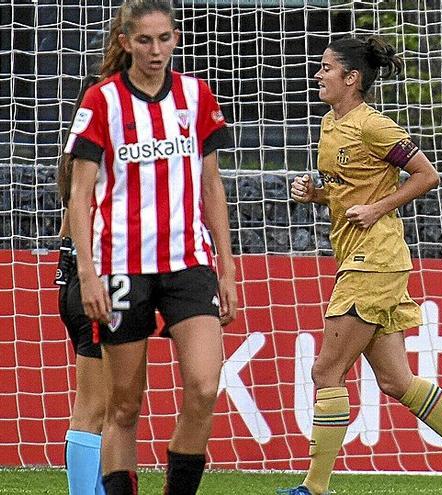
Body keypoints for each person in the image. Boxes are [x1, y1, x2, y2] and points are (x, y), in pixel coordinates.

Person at [279, 36, 442, 495]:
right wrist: (318, 194)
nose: (318, 74)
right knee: (395, 380)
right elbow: (348, 188)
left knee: (326, 372)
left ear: (352, 78)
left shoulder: (375, 126)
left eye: (326, 68)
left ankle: (315, 487)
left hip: (375, 260)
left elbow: (428, 175)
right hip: (359, 257)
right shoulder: (330, 124)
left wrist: (379, 208)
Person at [64, 1, 238, 493]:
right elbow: (79, 196)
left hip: (188, 262)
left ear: (177, 38)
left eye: (165, 39)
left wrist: (226, 268)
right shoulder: (102, 101)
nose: (156, 50)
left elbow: (211, 185)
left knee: (204, 386)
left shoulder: (194, 95)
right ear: (125, 43)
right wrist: (88, 273)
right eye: (145, 40)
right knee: (123, 404)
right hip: (120, 266)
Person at [56, 74, 107, 495]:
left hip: (74, 278)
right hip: (96, 284)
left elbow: (67, 226)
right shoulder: (101, 160)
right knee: (91, 409)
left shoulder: (74, 158)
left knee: (107, 407)